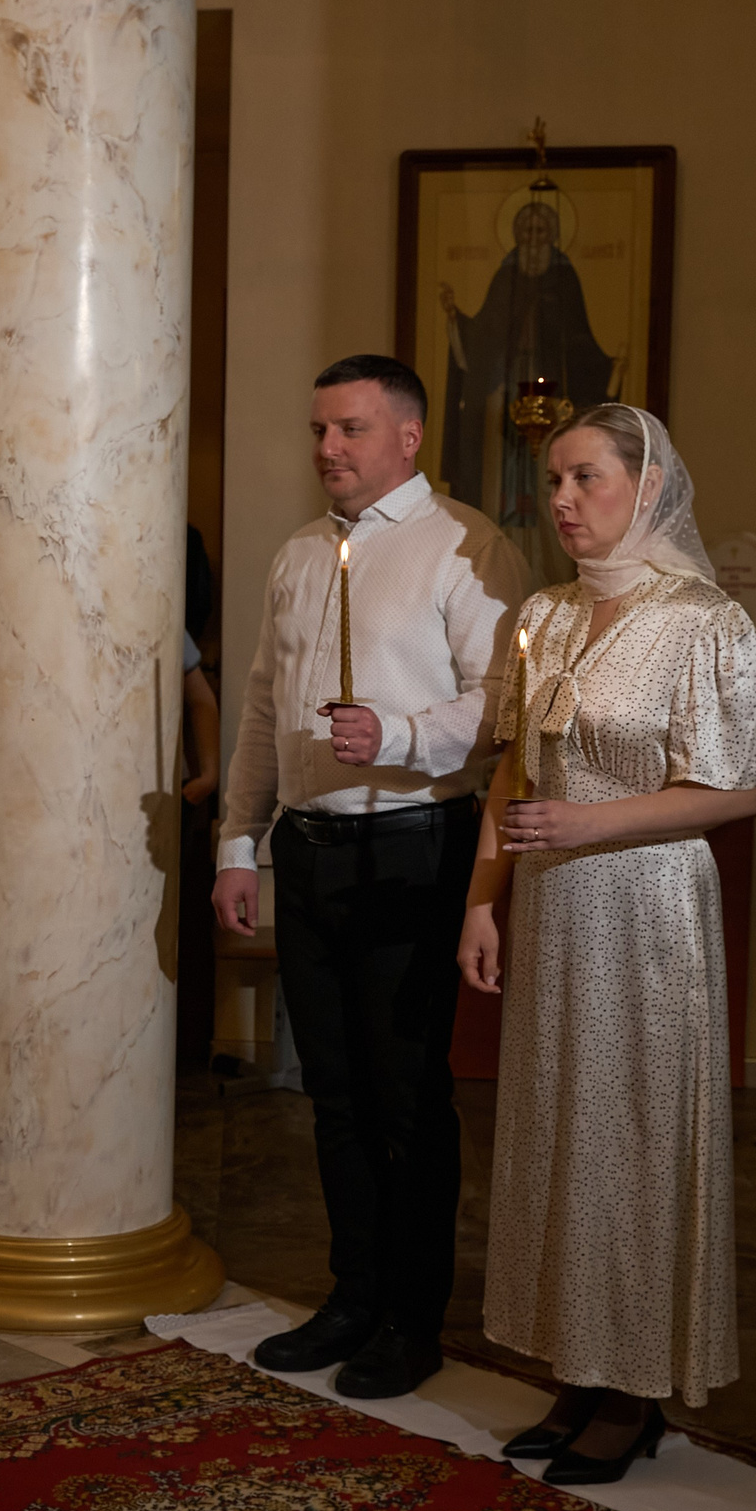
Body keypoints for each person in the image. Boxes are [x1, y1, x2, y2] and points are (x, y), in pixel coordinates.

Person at [457, 403, 756, 1483]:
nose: (562, 500)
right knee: (556, 1134)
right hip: (551, 910)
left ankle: (634, 1387)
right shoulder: (542, 615)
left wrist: (590, 824)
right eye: (552, 480)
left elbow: (738, 789)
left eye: (585, 477)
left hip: (647, 908)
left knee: (633, 1135)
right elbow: (512, 771)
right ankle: (576, 1365)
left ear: (649, 486)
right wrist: (482, 902)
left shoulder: (705, 622)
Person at [211, 354, 528, 1399]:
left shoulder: (466, 547)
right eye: (318, 429)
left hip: (412, 846)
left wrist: (396, 733)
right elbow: (263, 707)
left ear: (407, 437)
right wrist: (238, 843)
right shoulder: (300, 552)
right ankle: (352, 1295)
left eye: (349, 429)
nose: (327, 448)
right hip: (308, 850)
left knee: (405, 1096)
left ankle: (411, 1316)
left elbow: (503, 705)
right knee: (333, 1092)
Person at [438, 194, 617, 590]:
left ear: (552, 236)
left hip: (555, 404)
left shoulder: (564, 277)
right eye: (527, 232)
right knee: (500, 483)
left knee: (547, 482)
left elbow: (579, 340)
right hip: (504, 399)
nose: (534, 240)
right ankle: (497, 573)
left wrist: (611, 364)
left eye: (541, 232)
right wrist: (456, 320)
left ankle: (553, 574)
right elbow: (484, 335)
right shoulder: (506, 276)